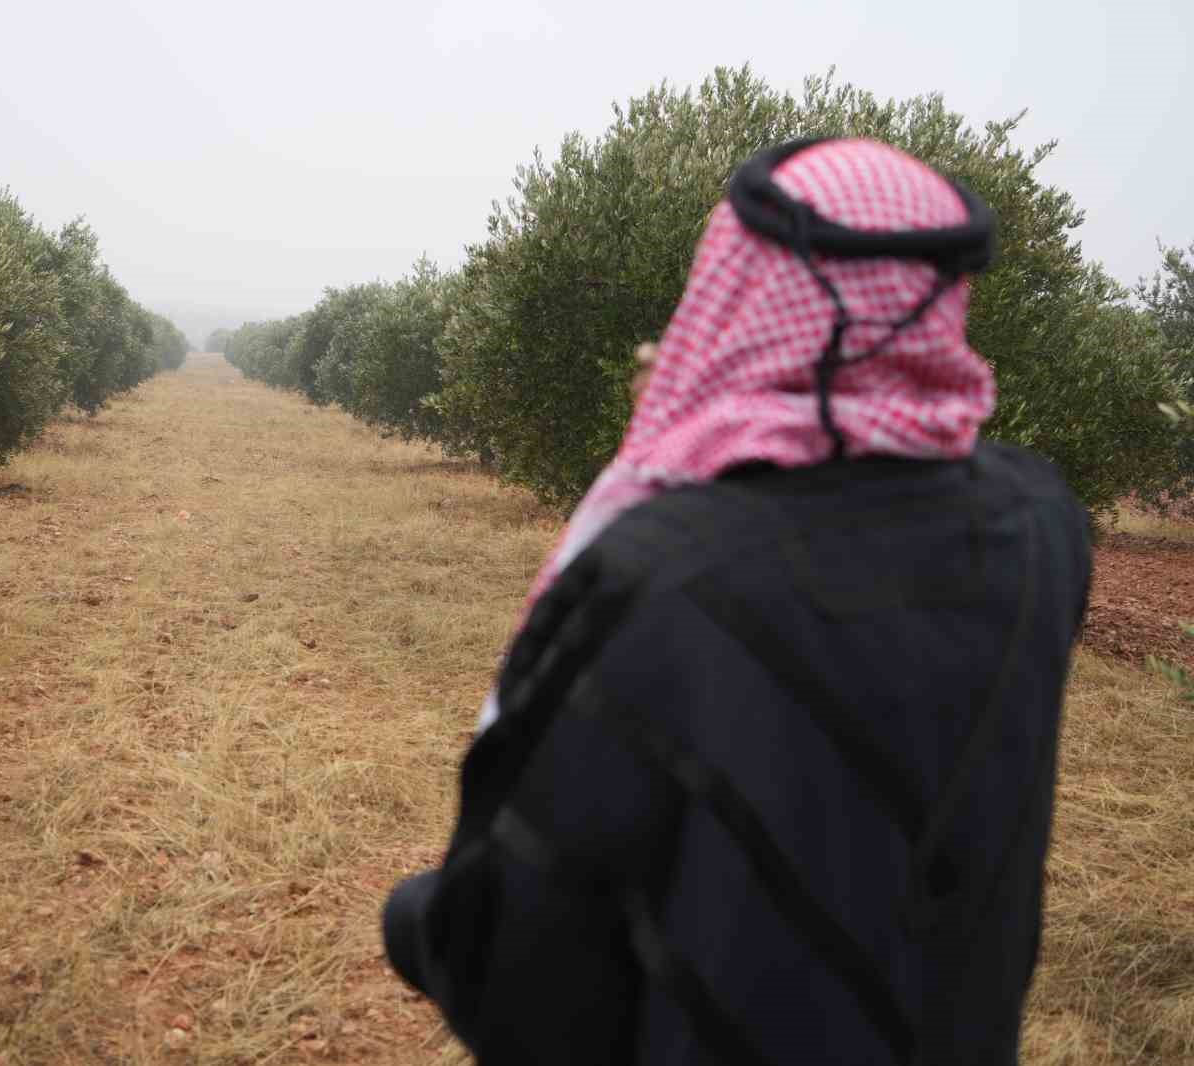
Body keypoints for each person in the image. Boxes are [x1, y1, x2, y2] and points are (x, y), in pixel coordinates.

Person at [382, 137, 1092, 1066]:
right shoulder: (1044, 528)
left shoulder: (662, 570)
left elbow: (523, 972)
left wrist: (424, 925)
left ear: (744, 292)